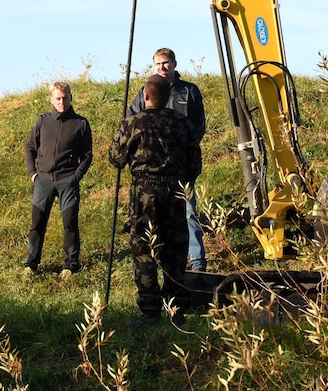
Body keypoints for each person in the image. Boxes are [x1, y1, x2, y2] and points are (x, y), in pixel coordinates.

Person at [110, 75, 203, 326]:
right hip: (174, 192)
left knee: (143, 249)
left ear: (145, 96)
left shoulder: (133, 122)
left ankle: (150, 311)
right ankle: (176, 309)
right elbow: (195, 165)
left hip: (144, 193)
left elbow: (116, 158)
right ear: (168, 97)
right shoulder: (183, 124)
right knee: (175, 250)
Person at [128, 47, 207, 271]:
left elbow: (198, 125)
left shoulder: (189, 92)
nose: (162, 68)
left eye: (166, 63)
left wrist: (184, 151)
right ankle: (159, 260)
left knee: (189, 212)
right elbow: (132, 121)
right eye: (158, 64)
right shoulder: (146, 91)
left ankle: (197, 261)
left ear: (174, 64)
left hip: (180, 167)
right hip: (153, 170)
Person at [24, 81, 93, 280]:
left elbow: (87, 156)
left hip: (67, 181)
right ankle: (31, 264)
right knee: (37, 223)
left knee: (69, 223)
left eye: (65, 97)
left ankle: (70, 265)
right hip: (43, 180)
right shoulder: (42, 121)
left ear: (71, 98)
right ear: (51, 99)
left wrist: (75, 178)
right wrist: (33, 174)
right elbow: (30, 148)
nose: (62, 102)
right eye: (58, 98)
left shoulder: (80, 123)